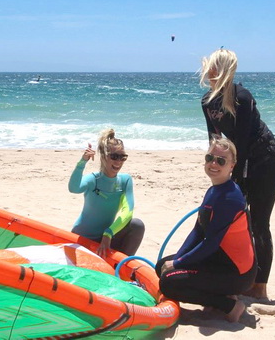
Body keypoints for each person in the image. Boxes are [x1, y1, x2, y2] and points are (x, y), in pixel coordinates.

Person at [199, 48, 275, 299]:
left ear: (224, 69)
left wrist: (236, 178)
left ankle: (259, 287)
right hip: (241, 162)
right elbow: (216, 140)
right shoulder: (207, 101)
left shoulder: (242, 97)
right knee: (238, 221)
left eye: (214, 67)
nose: (210, 72)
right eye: (209, 67)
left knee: (259, 223)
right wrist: (217, 171)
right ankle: (238, 278)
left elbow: (245, 143)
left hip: (268, 161)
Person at [156, 136, 255, 322]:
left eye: (221, 160)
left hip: (237, 274)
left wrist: (178, 264)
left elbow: (210, 244)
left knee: (169, 283)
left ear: (232, 166)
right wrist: (178, 259)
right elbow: (197, 232)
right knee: (161, 266)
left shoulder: (229, 198)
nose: (213, 164)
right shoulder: (214, 191)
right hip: (219, 260)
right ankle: (224, 295)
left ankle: (230, 306)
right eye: (210, 158)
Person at [68, 129, 145, 257]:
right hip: (83, 238)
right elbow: (74, 188)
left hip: (105, 238)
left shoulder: (125, 180)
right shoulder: (93, 179)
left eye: (122, 157)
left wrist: (109, 232)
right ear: (104, 157)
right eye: (114, 157)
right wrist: (82, 162)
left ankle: (121, 270)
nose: (118, 162)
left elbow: (128, 211)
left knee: (137, 225)